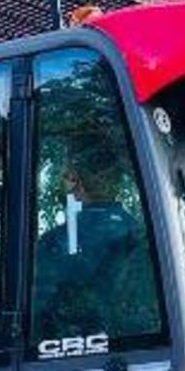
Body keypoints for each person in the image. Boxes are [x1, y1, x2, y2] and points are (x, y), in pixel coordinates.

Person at [31, 132, 159, 345]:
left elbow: (13, 307)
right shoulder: (142, 236)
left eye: (64, 174)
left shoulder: (54, 245)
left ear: (73, 180)